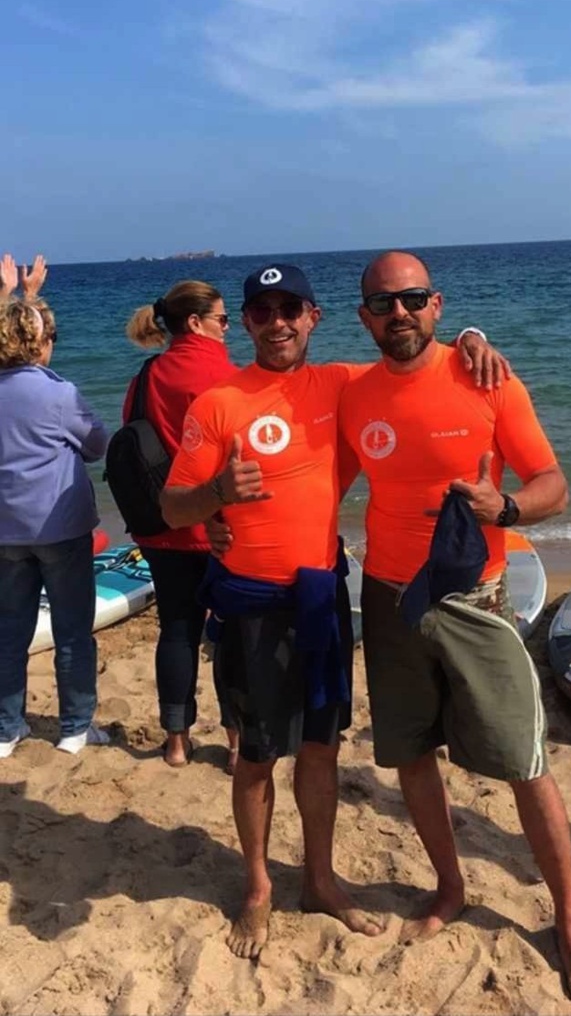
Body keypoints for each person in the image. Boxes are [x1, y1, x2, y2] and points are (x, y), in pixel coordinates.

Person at [161, 262, 509, 961]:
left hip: (320, 596)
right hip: (252, 607)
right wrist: (215, 497)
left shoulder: (344, 385)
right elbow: (172, 505)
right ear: (247, 323)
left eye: (291, 308)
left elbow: (412, 357)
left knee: (321, 750)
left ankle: (319, 879)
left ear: (314, 318)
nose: (278, 322)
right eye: (261, 312)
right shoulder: (217, 402)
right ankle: (258, 886)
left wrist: (470, 333)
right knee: (256, 756)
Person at [337, 250, 571, 1001]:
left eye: (413, 299)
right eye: (384, 304)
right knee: (412, 753)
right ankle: (449, 887)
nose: (399, 313)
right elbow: (300, 454)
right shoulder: (352, 395)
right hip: (390, 599)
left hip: (475, 598)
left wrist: (508, 509)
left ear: (436, 305)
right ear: (364, 316)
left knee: (525, 763)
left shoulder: (486, 377)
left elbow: (553, 484)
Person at [122, 280, 240, 769]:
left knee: (176, 628)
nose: (228, 328)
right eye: (222, 319)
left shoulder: (146, 375)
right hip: (217, 526)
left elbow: (132, 436)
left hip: (160, 523)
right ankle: (237, 744)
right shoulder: (226, 374)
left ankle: (175, 741)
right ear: (195, 323)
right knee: (231, 633)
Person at [0, 299, 109, 757]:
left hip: (5, 529)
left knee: (8, 629)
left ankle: (6, 728)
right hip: (59, 528)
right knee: (72, 629)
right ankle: (75, 726)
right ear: (38, 342)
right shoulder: (58, 393)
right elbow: (98, 444)